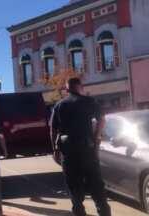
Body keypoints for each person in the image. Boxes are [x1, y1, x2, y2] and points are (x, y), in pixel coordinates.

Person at [50, 77, 111, 216]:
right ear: (80, 87)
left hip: (69, 151)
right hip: (87, 149)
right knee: (97, 188)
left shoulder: (59, 105)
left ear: (67, 89)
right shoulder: (89, 101)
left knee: (74, 191)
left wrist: (55, 149)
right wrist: (96, 137)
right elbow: (102, 119)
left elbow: (52, 129)